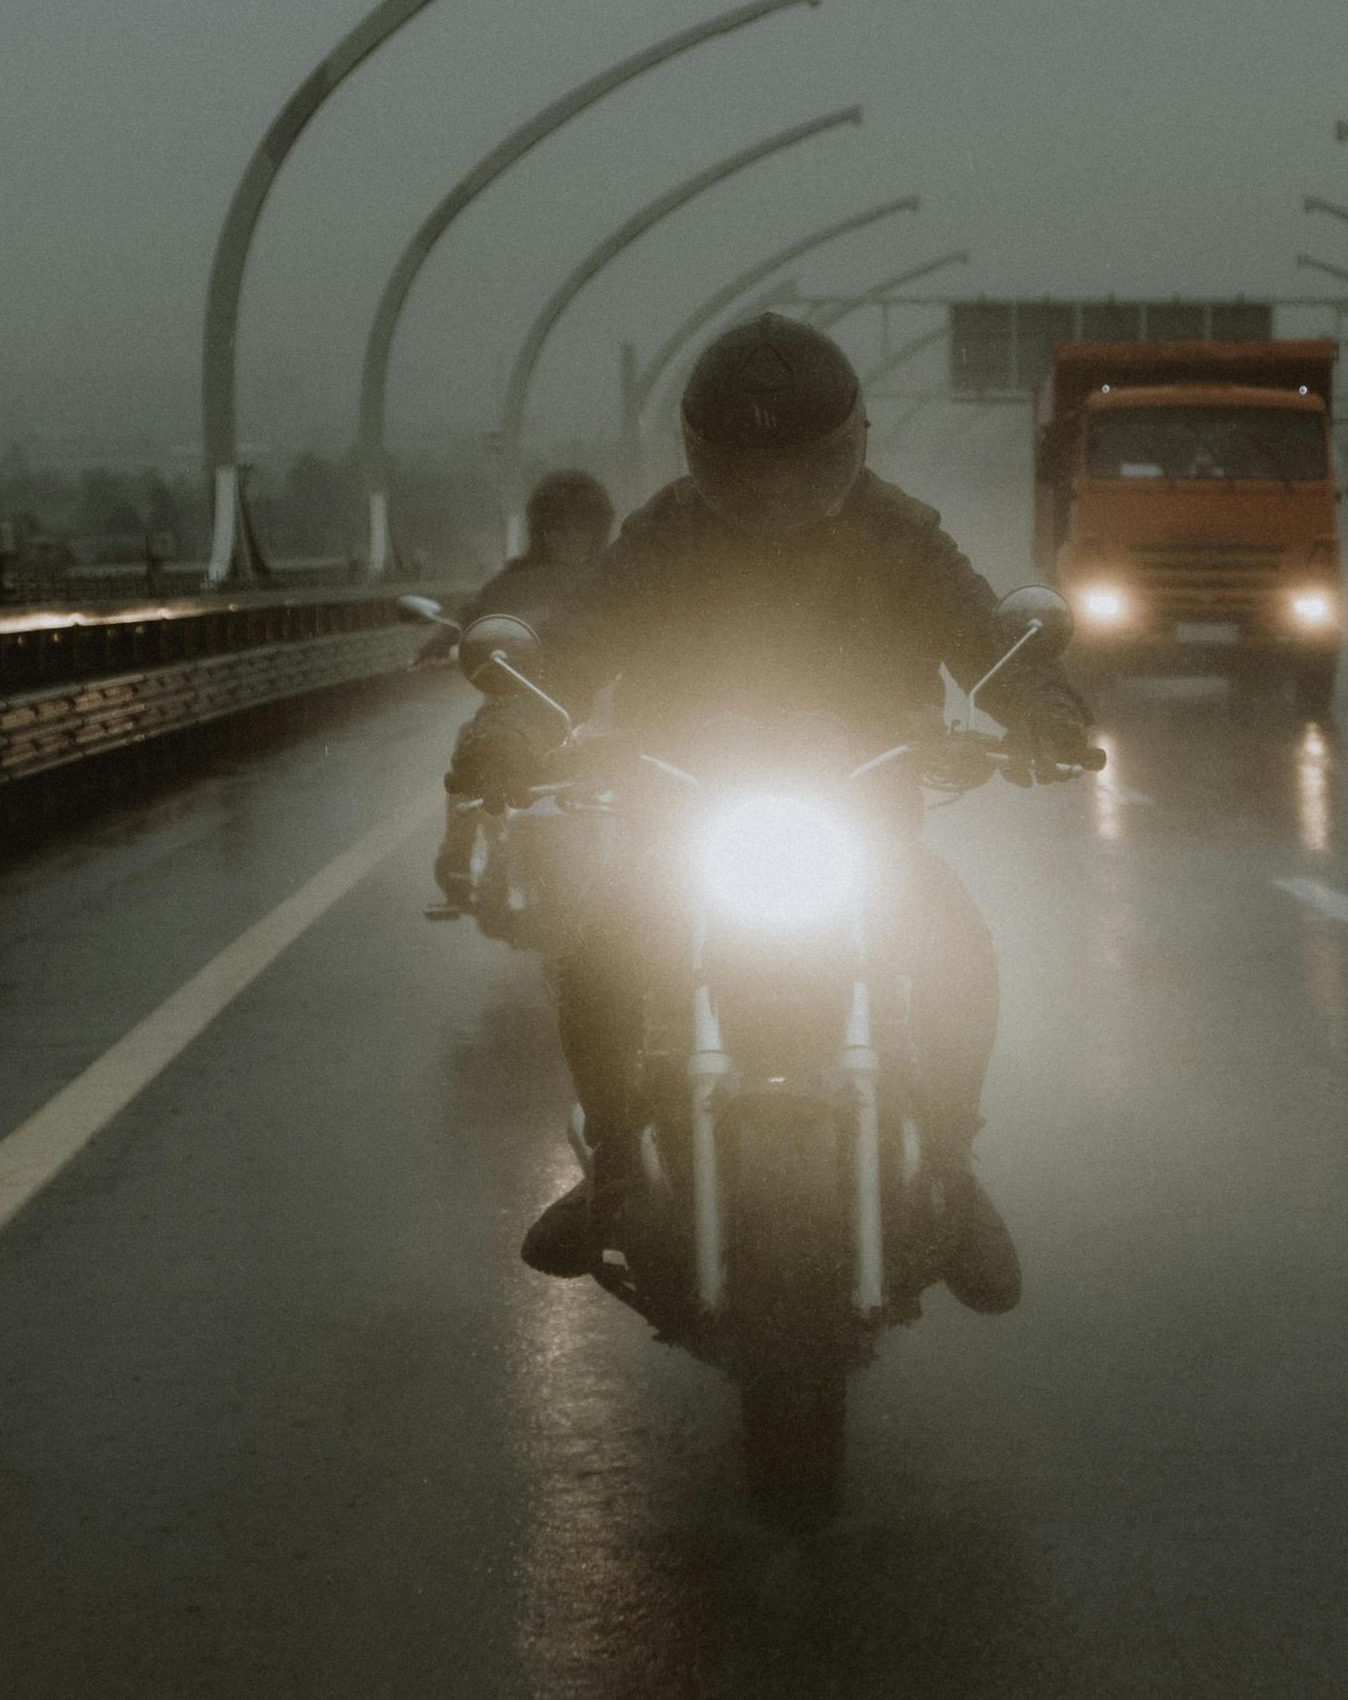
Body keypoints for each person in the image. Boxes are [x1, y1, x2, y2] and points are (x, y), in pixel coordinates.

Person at [451, 314, 1098, 1316]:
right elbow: (575, 646)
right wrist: (510, 724)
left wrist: (1045, 711)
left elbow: (986, 639)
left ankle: (949, 1167)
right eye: (749, 472)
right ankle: (614, 1167)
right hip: (688, 815)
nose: (775, 494)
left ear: (848, 445)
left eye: (797, 467)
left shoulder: (903, 537)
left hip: (861, 819)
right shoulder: (662, 536)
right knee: (603, 949)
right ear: (703, 456)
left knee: (956, 946)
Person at [433, 469, 615, 904]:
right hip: (518, 704)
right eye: (559, 527)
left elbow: (660, 621)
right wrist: (439, 642)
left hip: (602, 709)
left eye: (583, 527)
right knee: (472, 743)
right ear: (542, 531)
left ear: (598, 531)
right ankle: (457, 856)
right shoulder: (512, 582)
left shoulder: (618, 577)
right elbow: (470, 618)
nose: (570, 538)